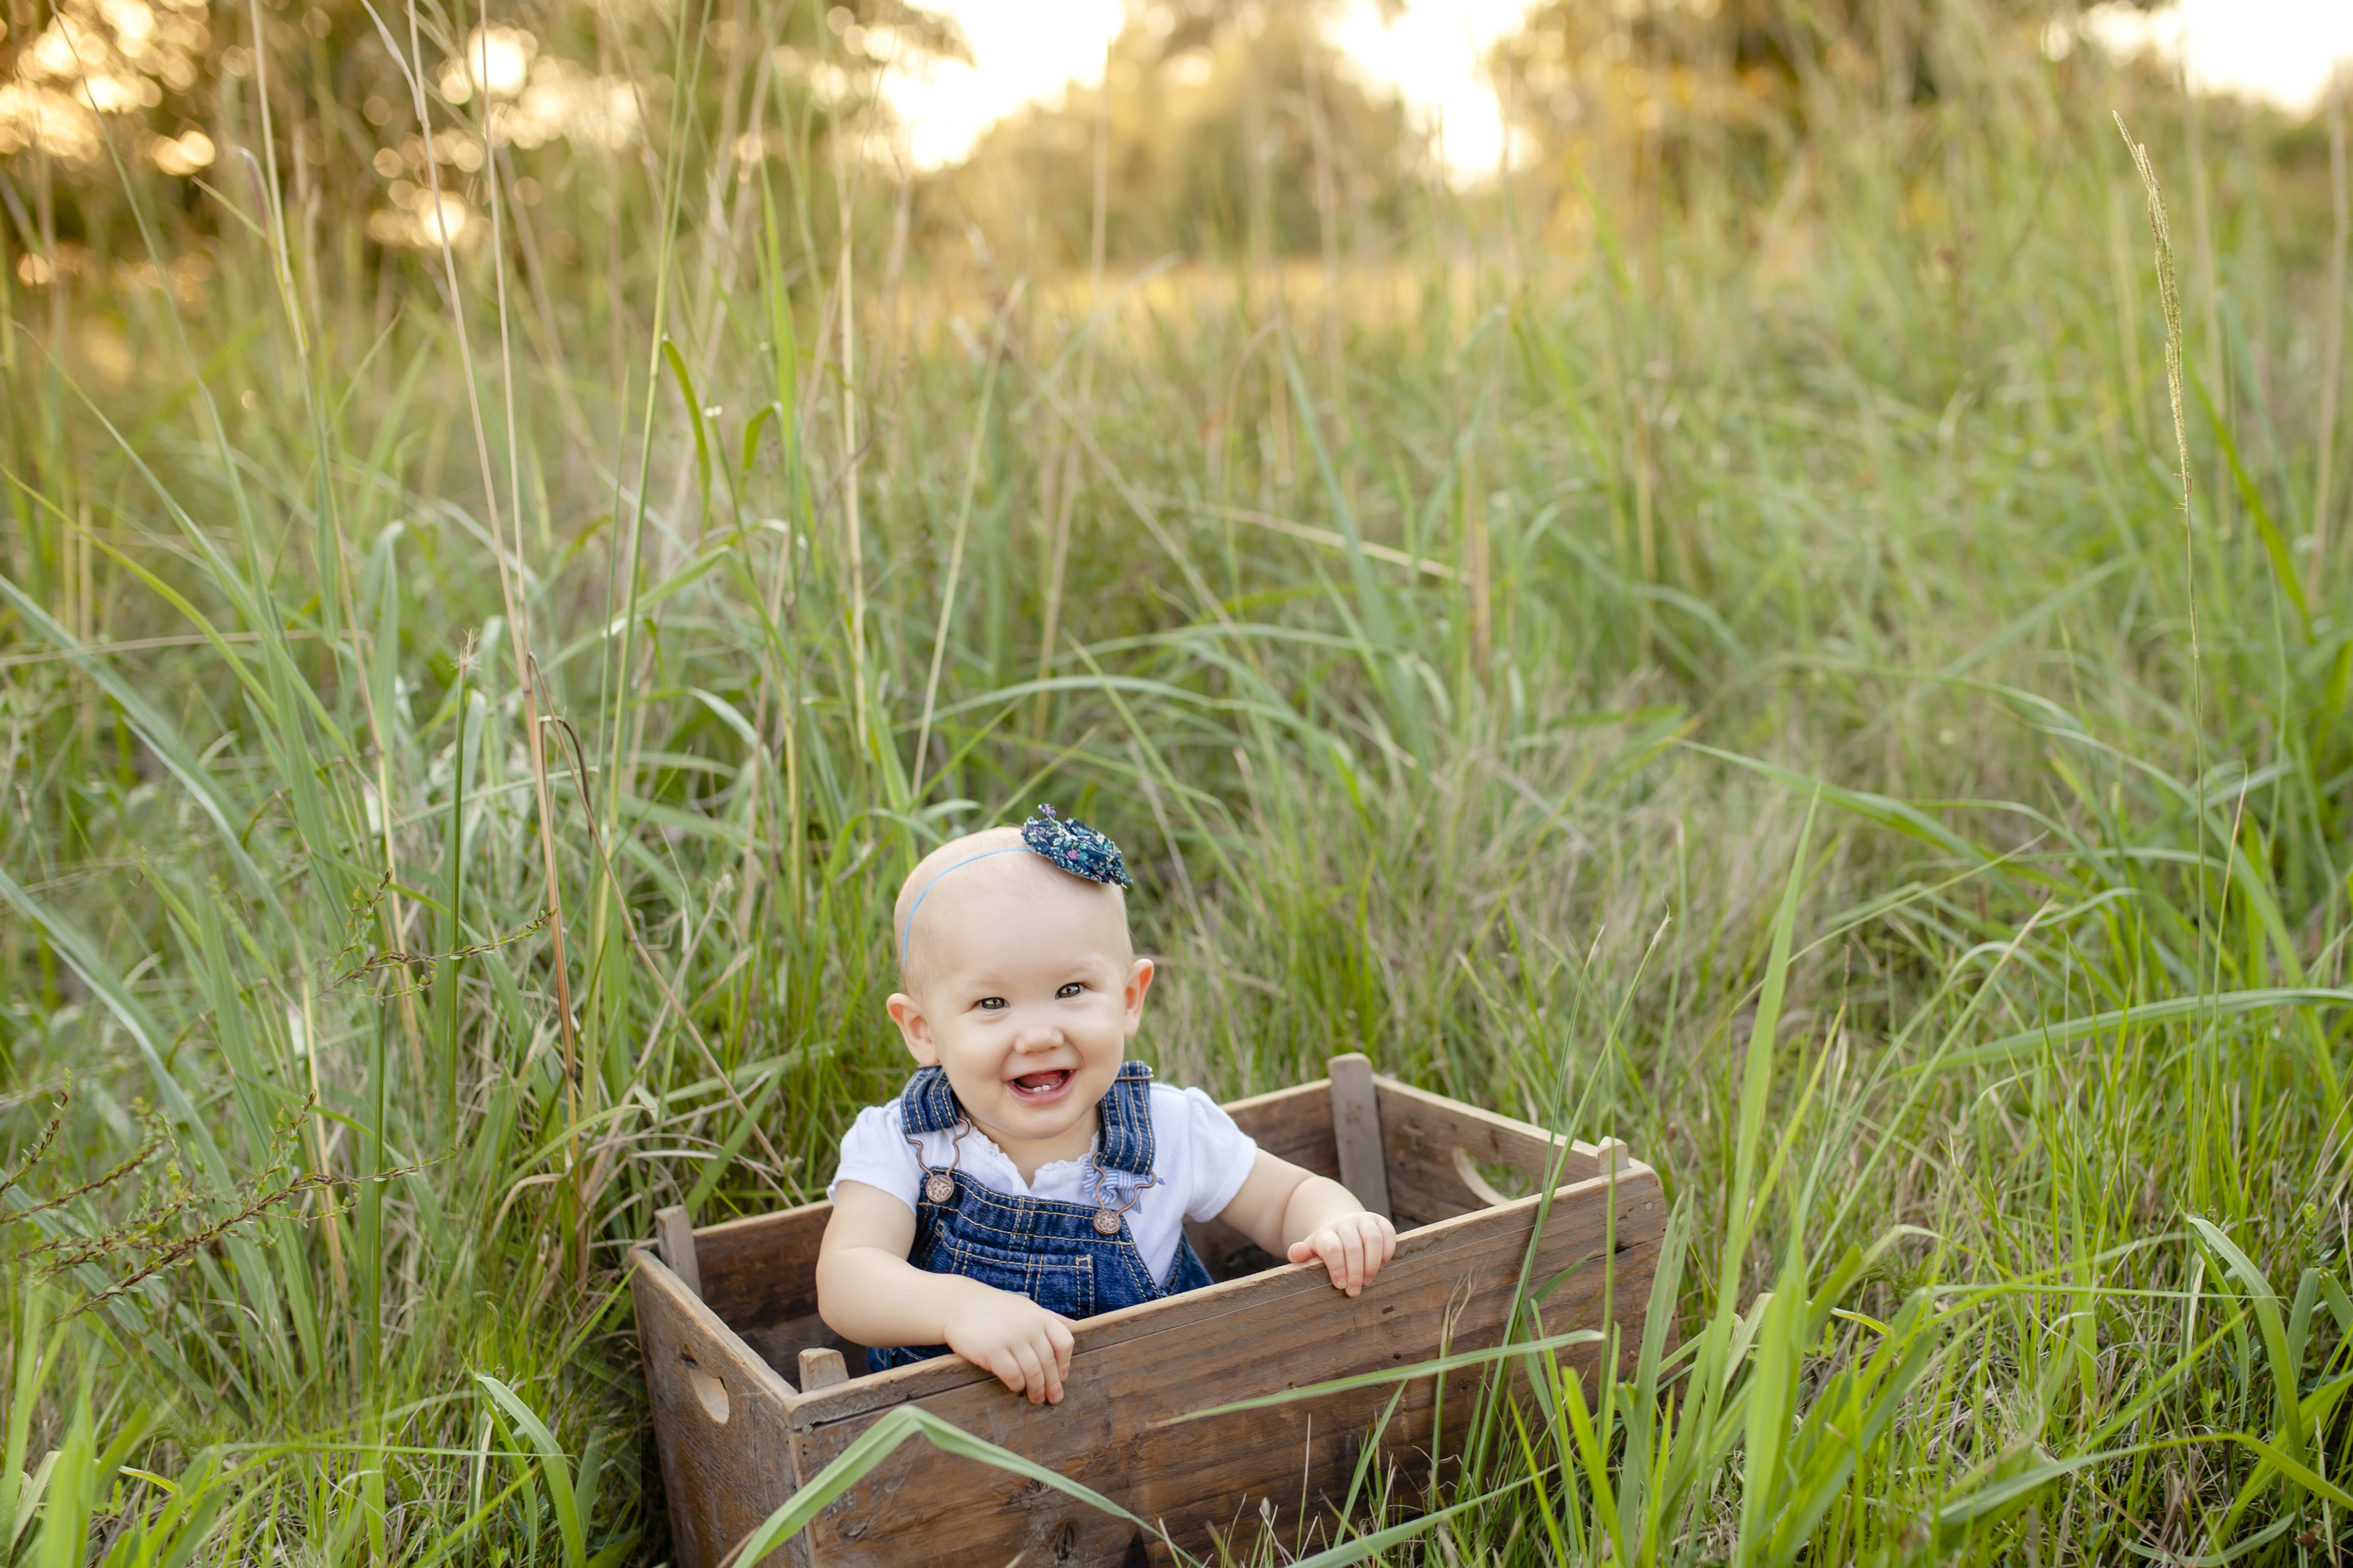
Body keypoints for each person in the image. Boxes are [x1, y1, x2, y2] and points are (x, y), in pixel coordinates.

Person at [815, 806, 1398, 1405]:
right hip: (954, 1451)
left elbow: (1287, 1199)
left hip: (1159, 1426)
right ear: (922, 1030)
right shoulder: (907, 1142)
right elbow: (847, 1276)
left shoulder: (1169, 1130)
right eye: (991, 1003)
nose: (1038, 1034)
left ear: (1128, 999)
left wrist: (1334, 1223)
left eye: (1071, 991)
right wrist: (959, 1308)